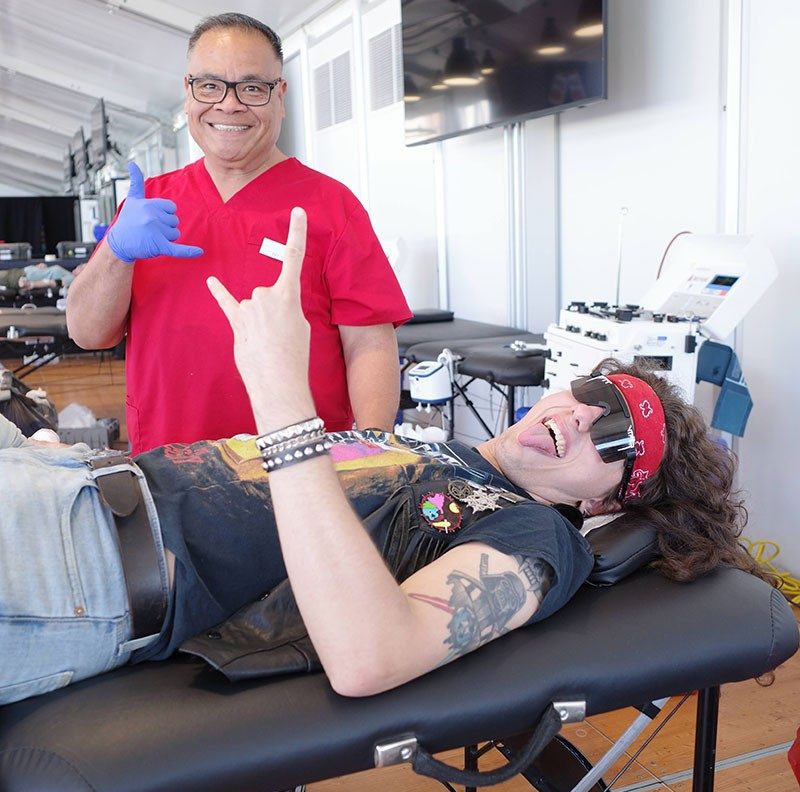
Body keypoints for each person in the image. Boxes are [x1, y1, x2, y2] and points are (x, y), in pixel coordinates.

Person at [1, 207, 764, 714]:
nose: (579, 417)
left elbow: (369, 657)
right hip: (69, 484)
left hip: (80, 565)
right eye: (594, 392)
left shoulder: (537, 536)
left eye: (613, 438)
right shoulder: (443, 446)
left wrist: (279, 390)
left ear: (607, 503)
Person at [66, 12, 411, 454]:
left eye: (252, 87)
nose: (229, 105)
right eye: (209, 86)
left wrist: (372, 454)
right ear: (187, 90)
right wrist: (116, 251)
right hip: (168, 470)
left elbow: (368, 342)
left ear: (280, 95)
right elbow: (87, 333)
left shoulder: (331, 206)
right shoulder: (147, 204)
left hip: (300, 471)